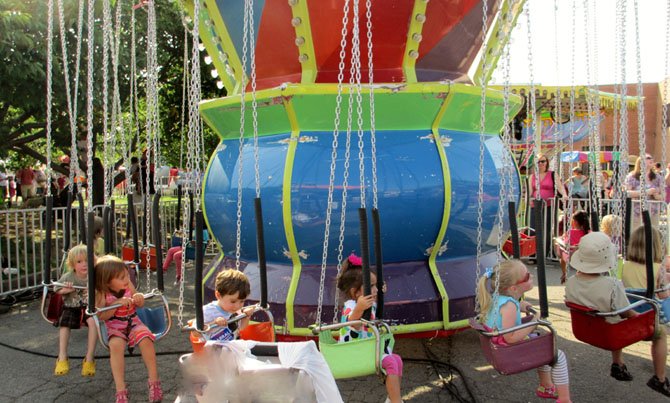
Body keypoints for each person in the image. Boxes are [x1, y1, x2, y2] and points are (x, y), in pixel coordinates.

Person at [565, 232, 670, 397]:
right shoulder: (611, 285)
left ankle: (618, 363)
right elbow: (628, 314)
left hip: (586, 329)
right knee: (660, 332)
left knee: (612, 317)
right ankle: (660, 378)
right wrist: (643, 319)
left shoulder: (570, 282)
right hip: (612, 333)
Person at [477, 260, 572, 403]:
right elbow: (510, 338)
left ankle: (546, 386)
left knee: (542, 343)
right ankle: (564, 399)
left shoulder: (500, 299)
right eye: (527, 276)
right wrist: (534, 322)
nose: (531, 275)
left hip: (499, 347)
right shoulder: (509, 306)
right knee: (558, 356)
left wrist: (519, 305)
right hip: (508, 352)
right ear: (514, 288)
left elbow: (504, 315)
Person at [337, 253, 404, 403]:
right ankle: (396, 401)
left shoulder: (368, 304)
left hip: (367, 349)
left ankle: (392, 398)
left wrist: (380, 292)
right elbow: (352, 322)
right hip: (353, 351)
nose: (375, 289)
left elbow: (374, 307)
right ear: (355, 292)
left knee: (397, 360)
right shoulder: (351, 307)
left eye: (375, 285)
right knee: (391, 362)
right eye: (371, 286)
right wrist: (360, 309)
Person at [95, 255, 162, 403]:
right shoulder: (102, 293)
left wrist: (139, 298)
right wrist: (117, 304)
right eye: (121, 277)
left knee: (146, 338)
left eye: (126, 275)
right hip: (115, 328)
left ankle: (154, 381)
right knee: (115, 345)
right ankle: (121, 389)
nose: (126, 279)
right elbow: (101, 316)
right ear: (107, 281)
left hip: (133, 323)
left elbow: (139, 303)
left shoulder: (127, 286)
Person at [53, 244, 97, 377]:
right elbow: (56, 289)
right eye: (79, 262)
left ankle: (89, 358)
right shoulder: (68, 276)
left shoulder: (94, 276)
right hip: (71, 306)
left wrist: (94, 291)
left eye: (87, 261)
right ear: (72, 264)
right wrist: (67, 289)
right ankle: (62, 356)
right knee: (64, 325)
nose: (84, 264)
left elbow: (102, 289)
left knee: (94, 323)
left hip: (88, 307)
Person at [530, 154, 568, 260]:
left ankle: (544, 253)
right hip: (535, 206)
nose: (541, 164)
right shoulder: (532, 176)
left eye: (543, 161)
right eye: (539, 162)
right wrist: (527, 199)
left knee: (546, 230)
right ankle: (533, 253)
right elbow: (529, 191)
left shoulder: (552, 174)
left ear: (547, 162)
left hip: (548, 206)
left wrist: (564, 195)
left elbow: (560, 186)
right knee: (533, 229)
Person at [202, 269, 255, 341]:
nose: (237, 306)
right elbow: (195, 332)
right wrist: (214, 323)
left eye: (242, 301)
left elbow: (241, 329)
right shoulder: (208, 311)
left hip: (230, 347)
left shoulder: (235, 311)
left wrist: (246, 316)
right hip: (210, 350)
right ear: (218, 295)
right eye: (233, 301)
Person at [621, 225, 670, 301]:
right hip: (650, 309)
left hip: (629, 307)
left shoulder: (624, 266)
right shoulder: (659, 268)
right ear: (658, 246)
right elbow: (664, 296)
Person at [626, 155, 663, 228]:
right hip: (637, 212)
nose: (651, 159)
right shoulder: (632, 176)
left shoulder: (657, 177)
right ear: (640, 162)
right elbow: (627, 193)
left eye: (651, 157)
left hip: (653, 212)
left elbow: (663, 195)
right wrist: (646, 192)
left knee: (652, 234)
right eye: (648, 158)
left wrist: (657, 196)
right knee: (637, 234)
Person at [556, 210, 590, 284]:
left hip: (573, 256)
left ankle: (564, 272)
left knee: (561, 249)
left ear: (575, 222)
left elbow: (565, 242)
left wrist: (560, 240)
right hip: (587, 255)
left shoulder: (571, 232)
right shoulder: (589, 232)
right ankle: (580, 272)